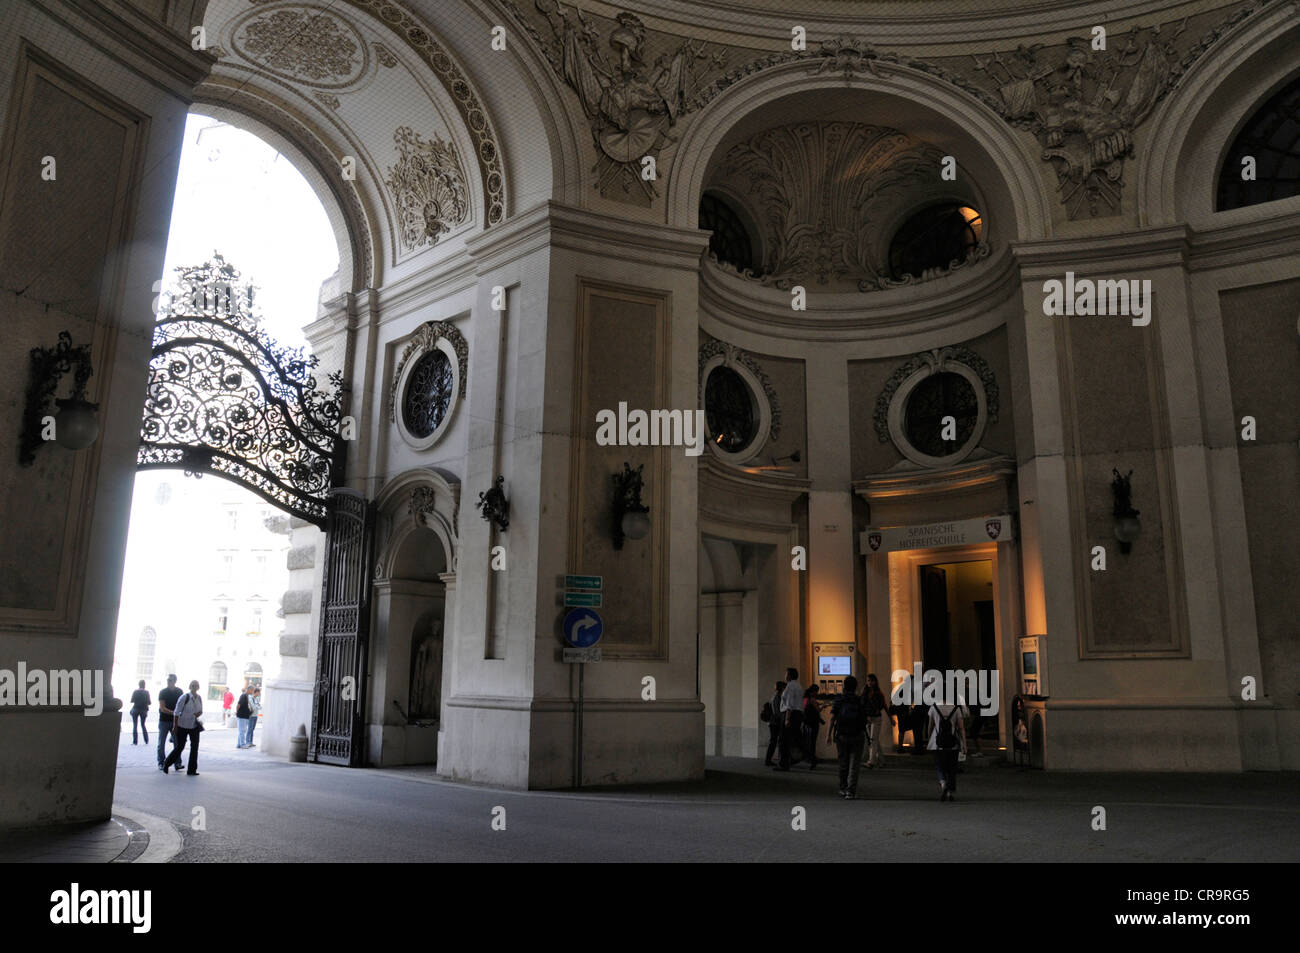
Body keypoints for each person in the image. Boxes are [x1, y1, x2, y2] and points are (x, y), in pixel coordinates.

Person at [827, 675, 867, 799]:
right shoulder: (859, 700)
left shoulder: (839, 700)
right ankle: (851, 791)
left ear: (844, 686)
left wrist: (828, 735)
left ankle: (843, 788)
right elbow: (865, 718)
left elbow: (832, 718)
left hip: (842, 735)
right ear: (855, 687)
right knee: (854, 764)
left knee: (843, 762)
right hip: (857, 735)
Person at [928, 699, 967, 801]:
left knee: (939, 766)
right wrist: (964, 744)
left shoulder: (933, 708)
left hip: (937, 742)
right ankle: (949, 792)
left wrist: (929, 739)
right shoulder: (956, 709)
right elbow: (961, 728)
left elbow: (930, 726)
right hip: (952, 742)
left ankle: (943, 784)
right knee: (951, 767)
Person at [163, 680, 203, 776]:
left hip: (193, 725)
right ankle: (167, 763)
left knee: (195, 747)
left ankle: (192, 770)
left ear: (198, 687)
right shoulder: (184, 697)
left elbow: (201, 711)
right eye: (193, 685)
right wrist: (175, 726)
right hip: (182, 725)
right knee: (180, 747)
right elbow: (176, 713)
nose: (194, 687)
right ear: (190, 687)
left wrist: (198, 714)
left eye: (196, 685)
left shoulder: (199, 698)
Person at [776, 667, 804, 771]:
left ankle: (783, 763)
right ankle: (792, 759)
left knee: (783, 740)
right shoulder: (799, 686)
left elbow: (789, 704)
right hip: (797, 714)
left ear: (789, 675)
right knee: (793, 738)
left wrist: (787, 718)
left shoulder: (790, 686)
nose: (785, 675)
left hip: (789, 714)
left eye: (786, 673)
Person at [863, 673, 893, 768]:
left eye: (871, 681)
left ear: (875, 682)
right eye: (868, 680)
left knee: (872, 740)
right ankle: (882, 760)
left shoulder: (879, 693)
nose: (869, 683)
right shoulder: (864, 692)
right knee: (874, 740)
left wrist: (891, 718)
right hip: (867, 719)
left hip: (876, 718)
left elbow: (884, 706)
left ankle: (871, 761)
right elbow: (862, 705)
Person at [156, 674, 183, 769]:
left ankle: (177, 762)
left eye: (170, 680)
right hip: (163, 720)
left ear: (175, 681)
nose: (168, 681)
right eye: (168, 679)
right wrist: (175, 713)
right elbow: (162, 708)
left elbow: (182, 705)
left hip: (175, 721)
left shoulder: (179, 691)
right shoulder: (163, 692)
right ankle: (161, 762)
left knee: (177, 743)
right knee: (161, 743)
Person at [763, 680, 785, 766]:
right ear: (782, 688)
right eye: (784, 687)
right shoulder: (777, 697)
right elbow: (777, 712)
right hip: (775, 722)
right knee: (774, 741)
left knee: (774, 741)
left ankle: (769, 760)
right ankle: (768, 760)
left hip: (774, 722)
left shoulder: (776, 696)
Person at [801, 684, 824, 770]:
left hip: (806, 723)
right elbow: (818, 710)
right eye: (816, 691)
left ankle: (808, 758)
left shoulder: (805, 699)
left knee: (808, 741)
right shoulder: (812, 699)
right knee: (813, 742)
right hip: (813, 723)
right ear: (813, 691)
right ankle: (812, 760)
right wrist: (823, 706)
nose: (817, 693)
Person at [129, 680, 151, 745]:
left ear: (139, 685)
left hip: (135, 709)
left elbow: (131, 701)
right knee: (143, 725)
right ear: (144, 685)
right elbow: (149, 702)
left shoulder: (135, 692)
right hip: (143, 710)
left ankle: (135, 741)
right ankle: (146, 740)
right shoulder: (147, 692)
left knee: (135, 725)